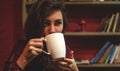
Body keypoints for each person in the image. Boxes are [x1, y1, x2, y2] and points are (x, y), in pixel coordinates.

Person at [6, 0, 79, 71]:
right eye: (46, 23)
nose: (52, 30)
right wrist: (23, 59)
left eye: (58, 23)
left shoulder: (65, 50)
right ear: (36, 25)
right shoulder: (22, 48)